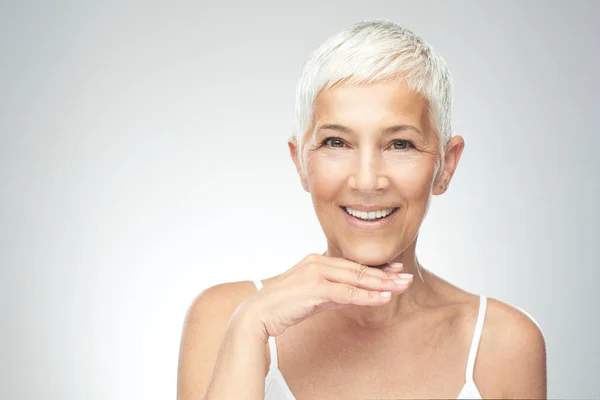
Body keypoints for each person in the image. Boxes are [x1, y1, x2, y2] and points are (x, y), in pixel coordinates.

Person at [177, 20, 547, 400]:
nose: (367, 181)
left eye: (400, 144)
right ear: (301, 163)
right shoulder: (226, 318)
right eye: (336, 142)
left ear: (447, 165)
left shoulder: (504, 343)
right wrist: (250, 325)